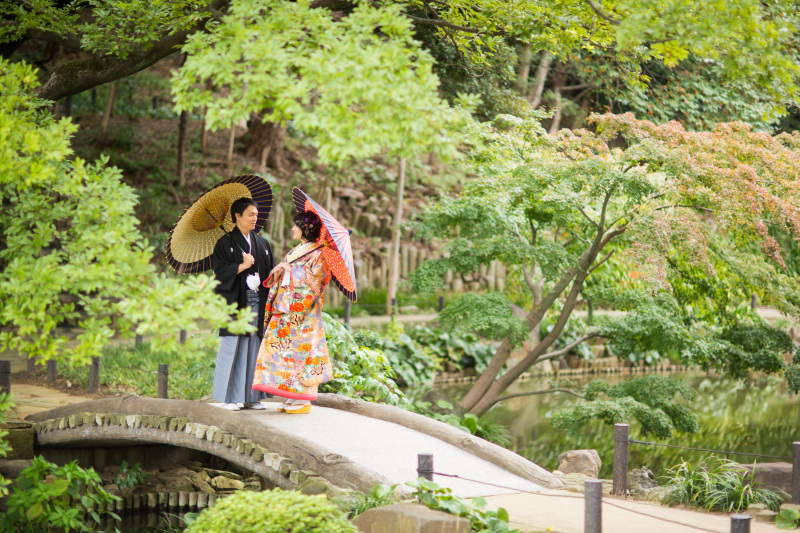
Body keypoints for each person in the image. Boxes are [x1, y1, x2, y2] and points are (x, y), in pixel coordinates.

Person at [252, 210, 333, 414]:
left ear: (305, 228)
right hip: (284, 308)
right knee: (281, 352)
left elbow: (316, 283)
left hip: (302, 315)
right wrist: (280, 271)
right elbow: (281, 274)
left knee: (302, 354)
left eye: (296, 225)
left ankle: (304, 399)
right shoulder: (297, 251)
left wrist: (293, 271)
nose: (292, 229)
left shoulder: (319, 254)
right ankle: (291, 394)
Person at [210, 197, 274, 410]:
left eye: (256, 214)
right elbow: (218, 275)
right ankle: (229, 398)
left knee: (254, 348)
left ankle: (251, 397)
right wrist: (241, 266)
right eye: (250, 214)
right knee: (233, 347)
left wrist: (270, 277)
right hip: (235, 304)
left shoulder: (262, 243)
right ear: (237, 216)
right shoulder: (224, 244)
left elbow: (269, 273)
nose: (255, 218)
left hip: (257, 302)